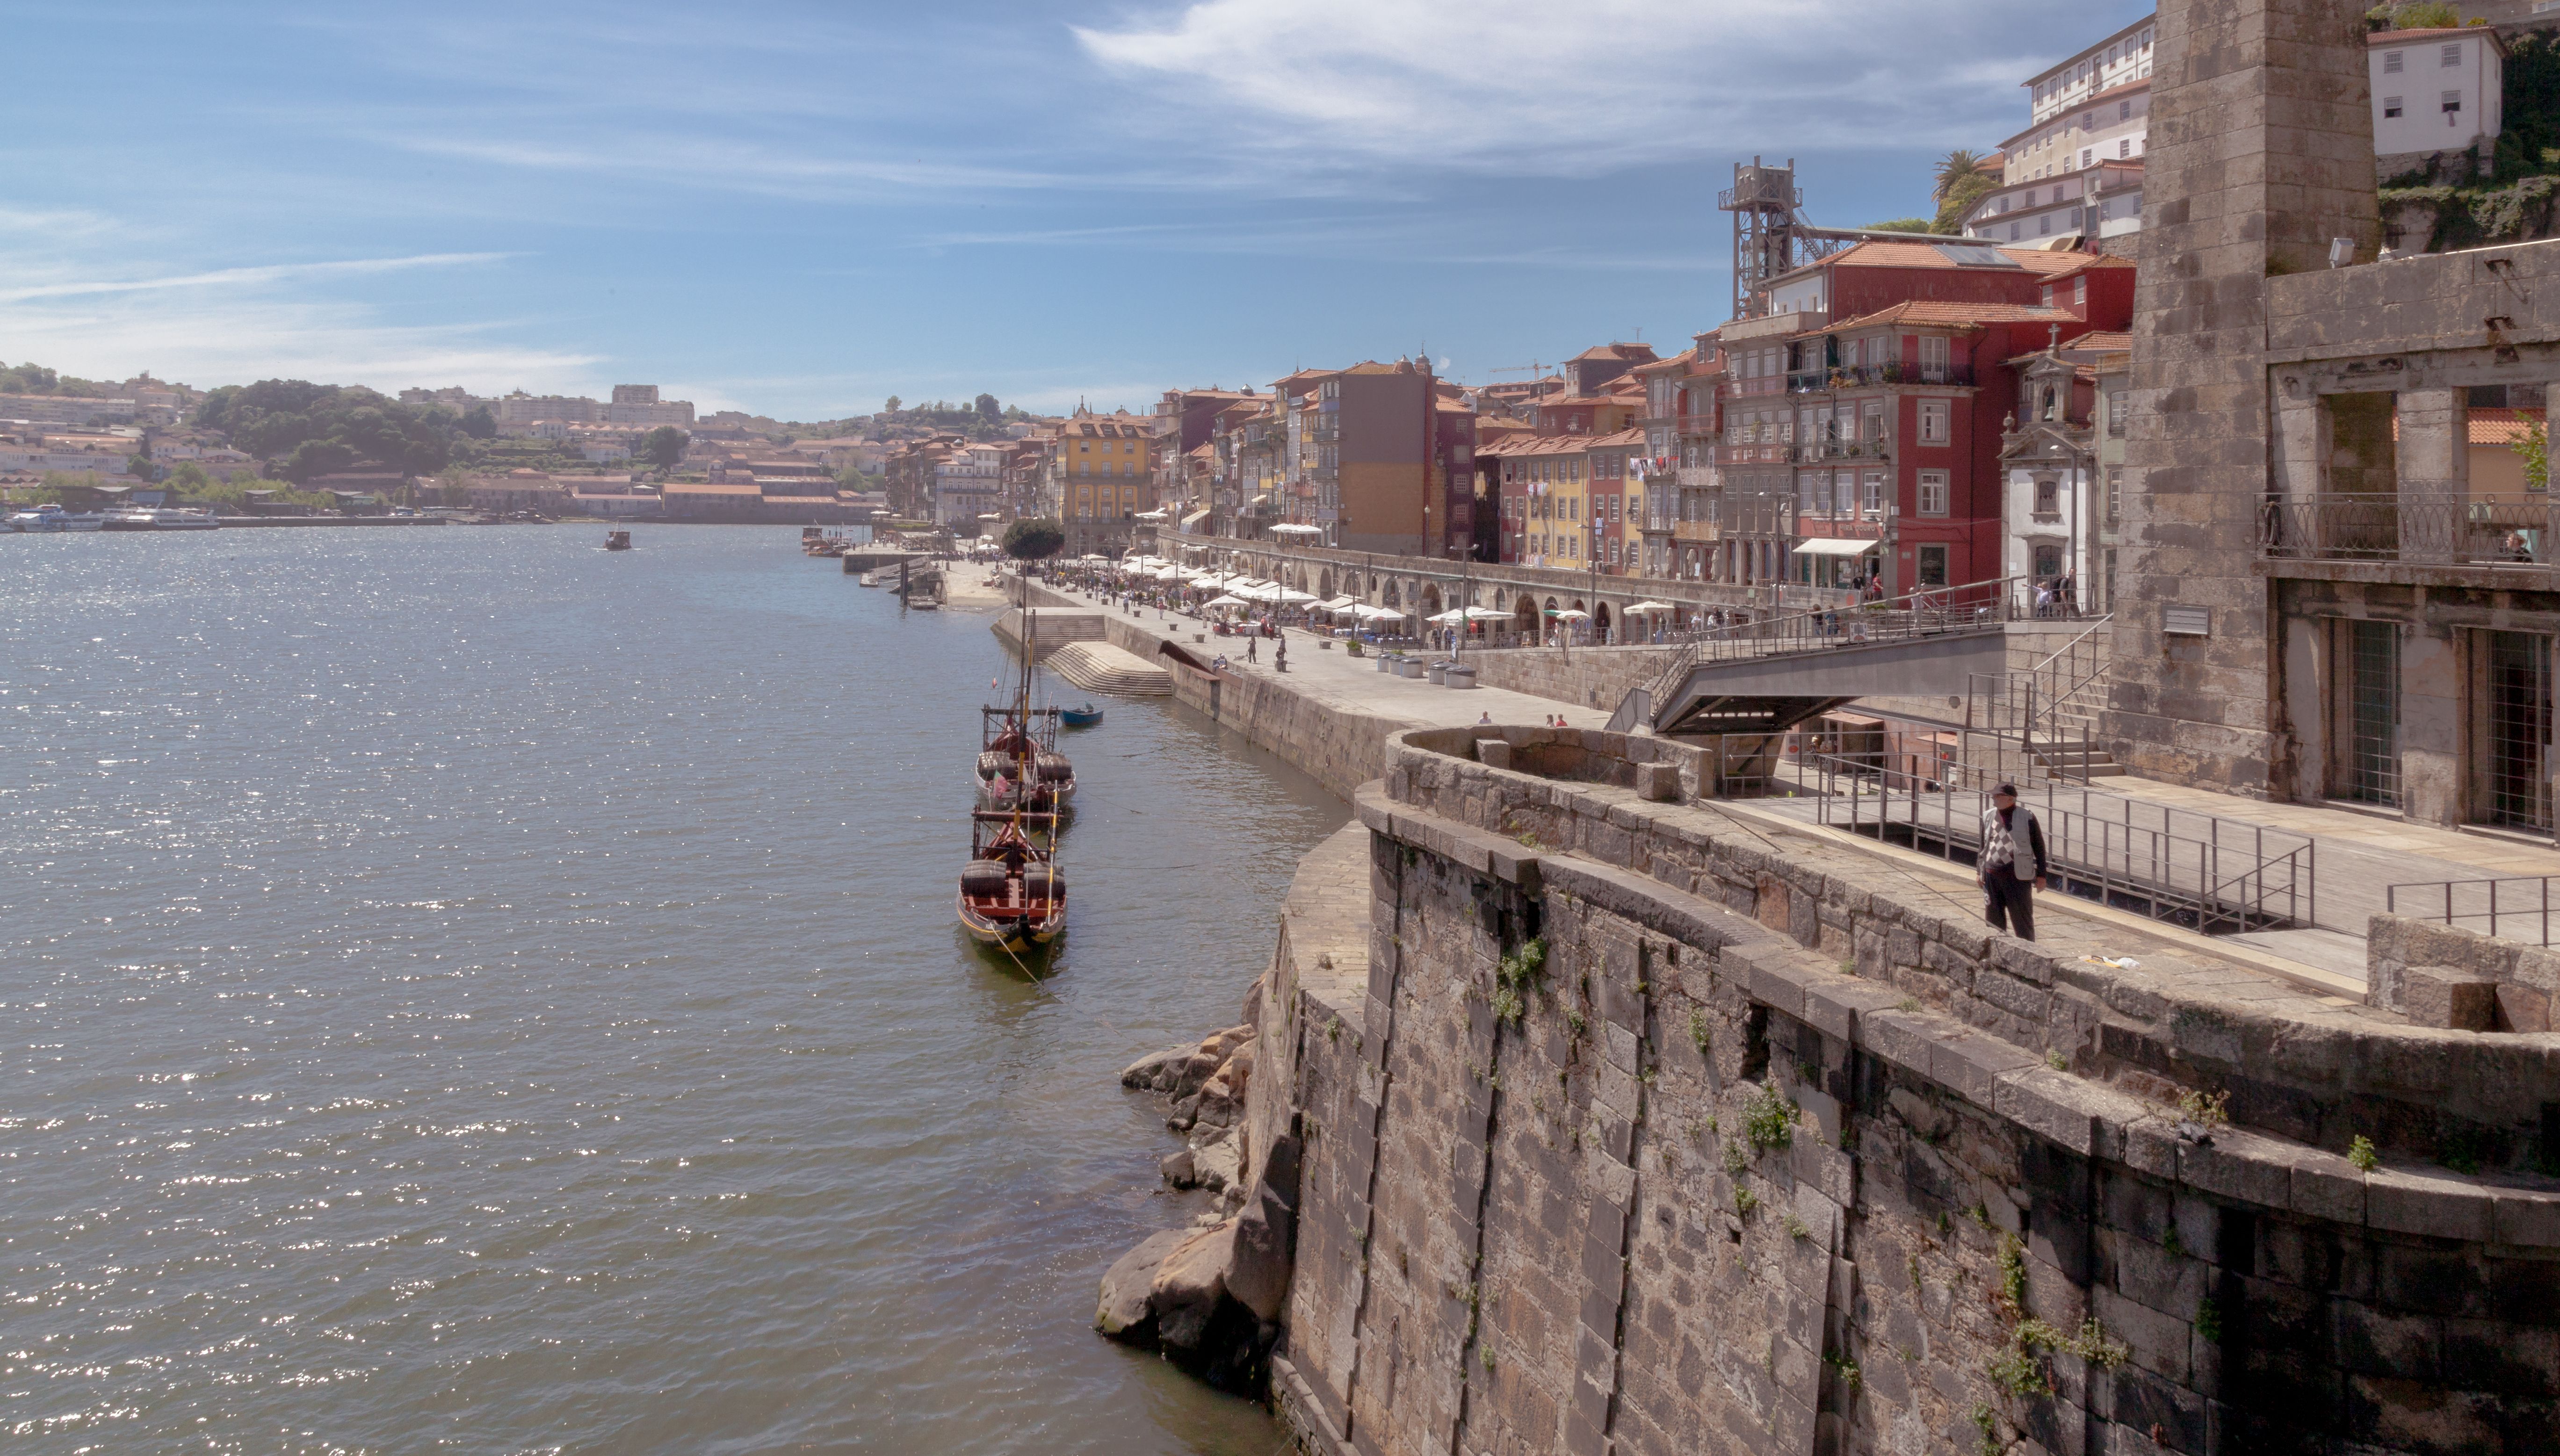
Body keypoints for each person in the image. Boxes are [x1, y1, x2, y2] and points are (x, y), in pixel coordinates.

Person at [1979, 783, 2049, 941]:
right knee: (1993, 923)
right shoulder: (1988, 816)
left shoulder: (2027, 817)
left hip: (2017, 878)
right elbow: (1983, 846)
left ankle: (2028, 951)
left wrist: (2042, 876)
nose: (1994, 798)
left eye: (1998, 796)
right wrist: (1979, 871)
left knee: (2022, 921)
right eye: (1994, 795)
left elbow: (2039, 847)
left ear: (2011, 799)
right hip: (1991, 876)